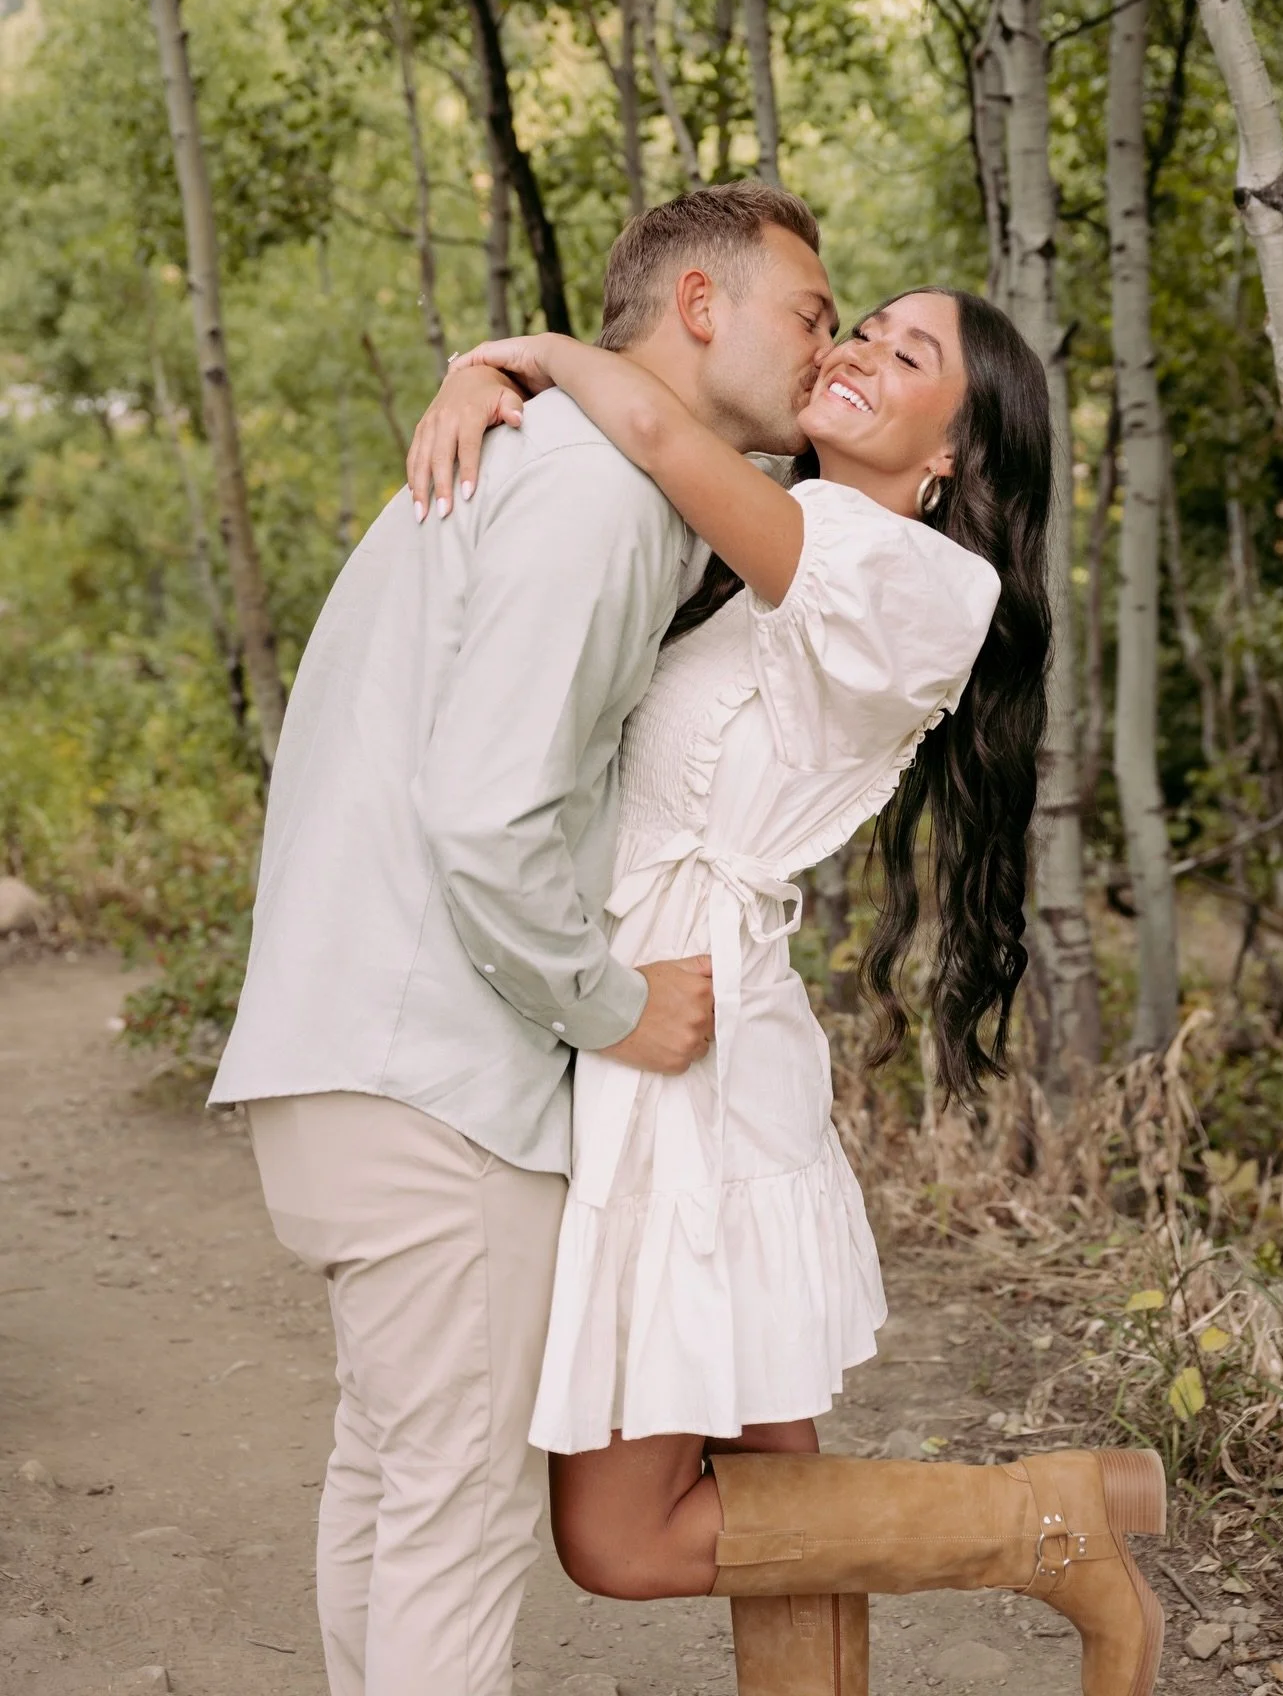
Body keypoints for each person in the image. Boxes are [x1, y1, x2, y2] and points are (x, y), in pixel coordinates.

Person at [417, 291, 1166, 1696]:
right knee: (777, 1495)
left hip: (686, 1053)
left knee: (621, 1537)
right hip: (678, 1019)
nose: (860, 350)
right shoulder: (785, 530)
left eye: (908, 353)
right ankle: (1054, 1524)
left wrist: (516, 353)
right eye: (862, 326)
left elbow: (651, 422)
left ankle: (1049, 1526)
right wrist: (480, 377)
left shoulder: (921, 582)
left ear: (954, 456)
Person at [206, 181, 840, 1696]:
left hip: (340, 1054)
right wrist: (613, 1004)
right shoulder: (592, 496)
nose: (828, 349)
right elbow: (490, 815)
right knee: (454, 1521)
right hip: (437, 1082)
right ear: (702, 307)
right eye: (812, 314)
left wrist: (510, 356)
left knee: (393, 1487)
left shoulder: (545, 458)